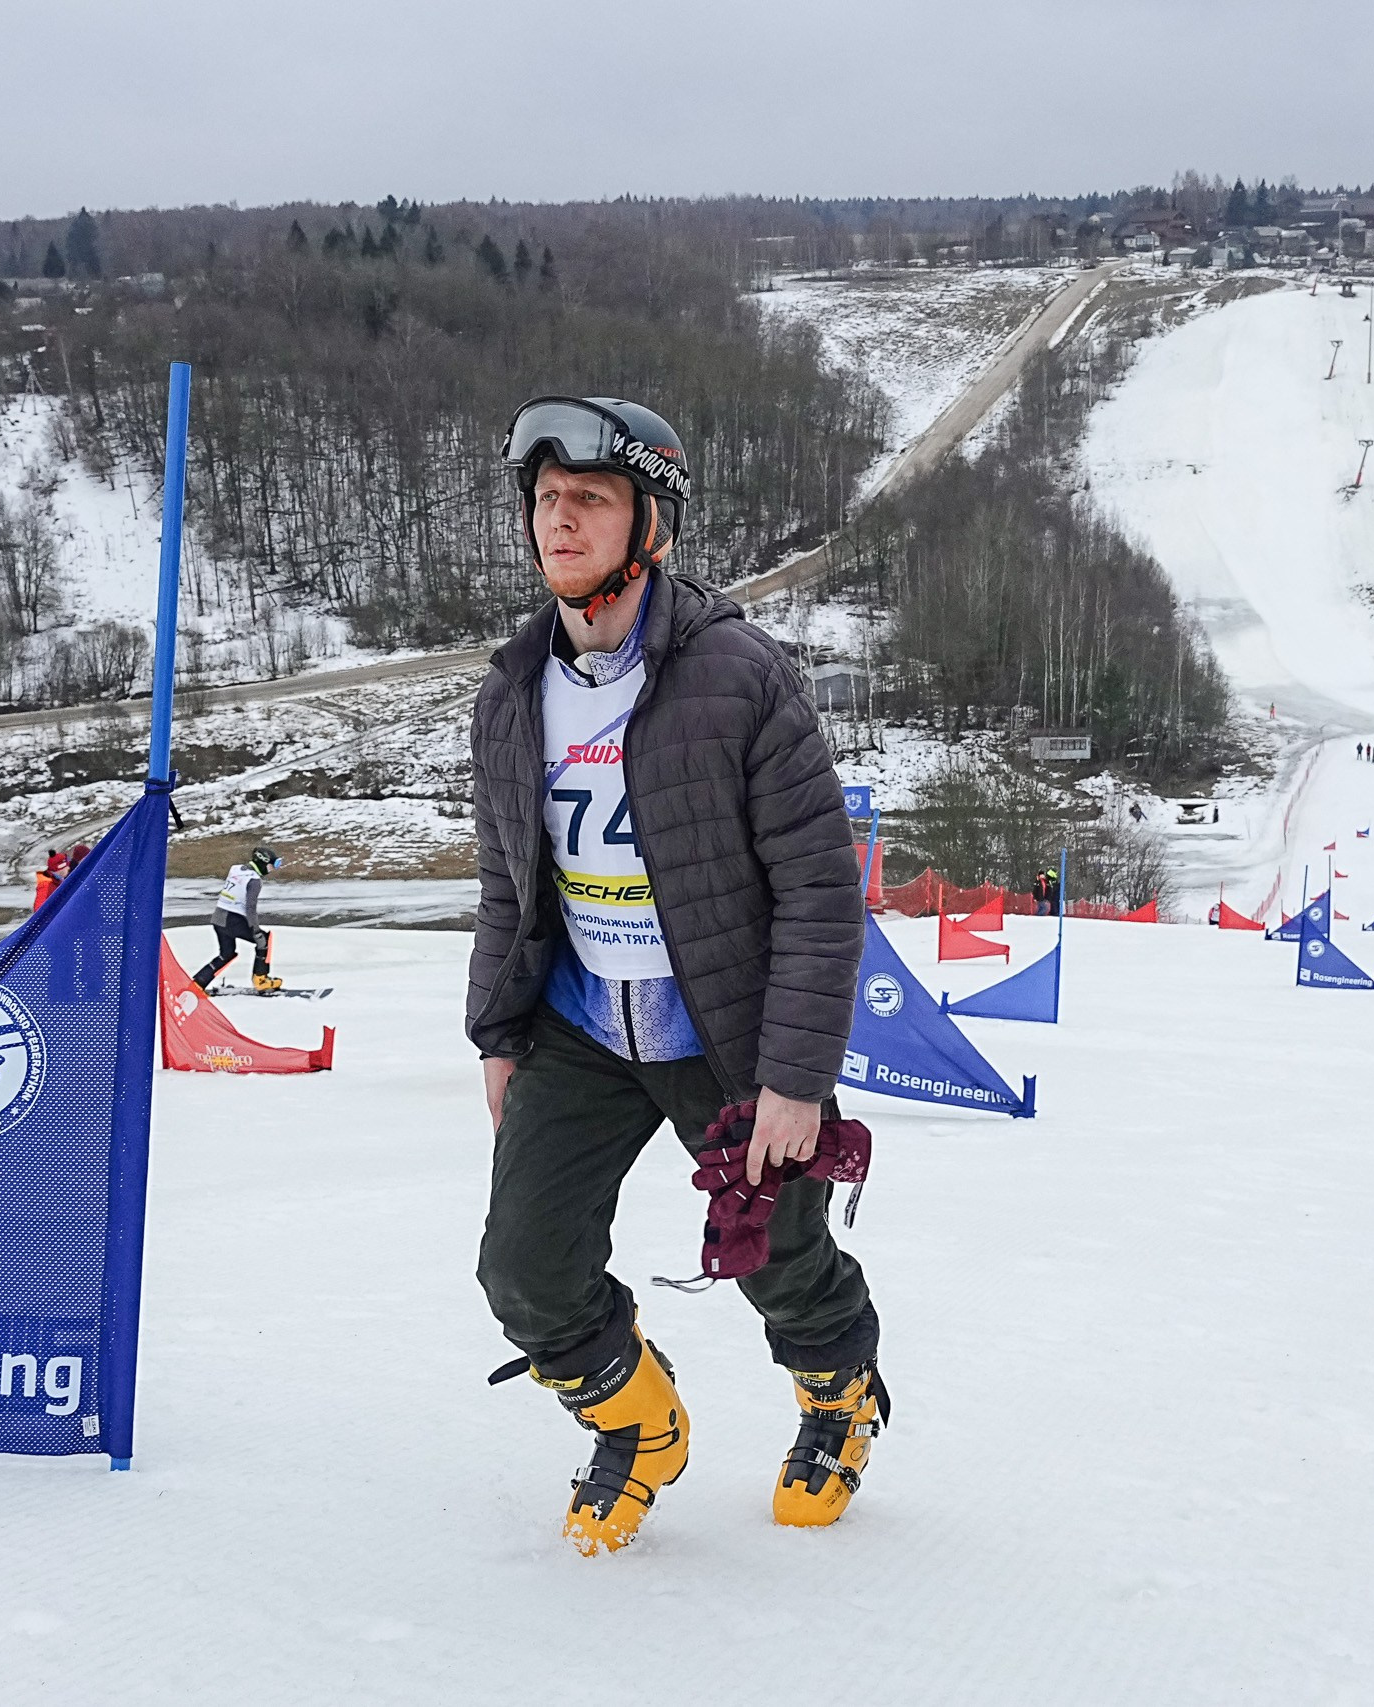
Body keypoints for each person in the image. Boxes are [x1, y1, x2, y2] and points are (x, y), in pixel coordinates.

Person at [469, 394, 875, 1556]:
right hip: (581, 1029)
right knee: (525, 1267)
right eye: (545, 502)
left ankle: (839, 1401)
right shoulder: (512, 691)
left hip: (726, 1035)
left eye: (589, 499)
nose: (560, 521)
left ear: (651, 522)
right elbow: (510, 885)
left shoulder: (734, 678)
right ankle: (639, 1423)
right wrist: (499, 1033)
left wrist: (795, 1079)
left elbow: (817, 889)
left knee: (780, 1259)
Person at [193, 846, 281, 993]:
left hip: (218, 918)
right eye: (271, 866)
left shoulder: (236, 869)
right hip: (232, 920)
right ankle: (261, 980)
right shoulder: (254, 881)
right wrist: (256, 930)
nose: (271, 870)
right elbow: (250, 908)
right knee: (263, 940)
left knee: (226, 954)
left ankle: (198, 984)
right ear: (262, 863)